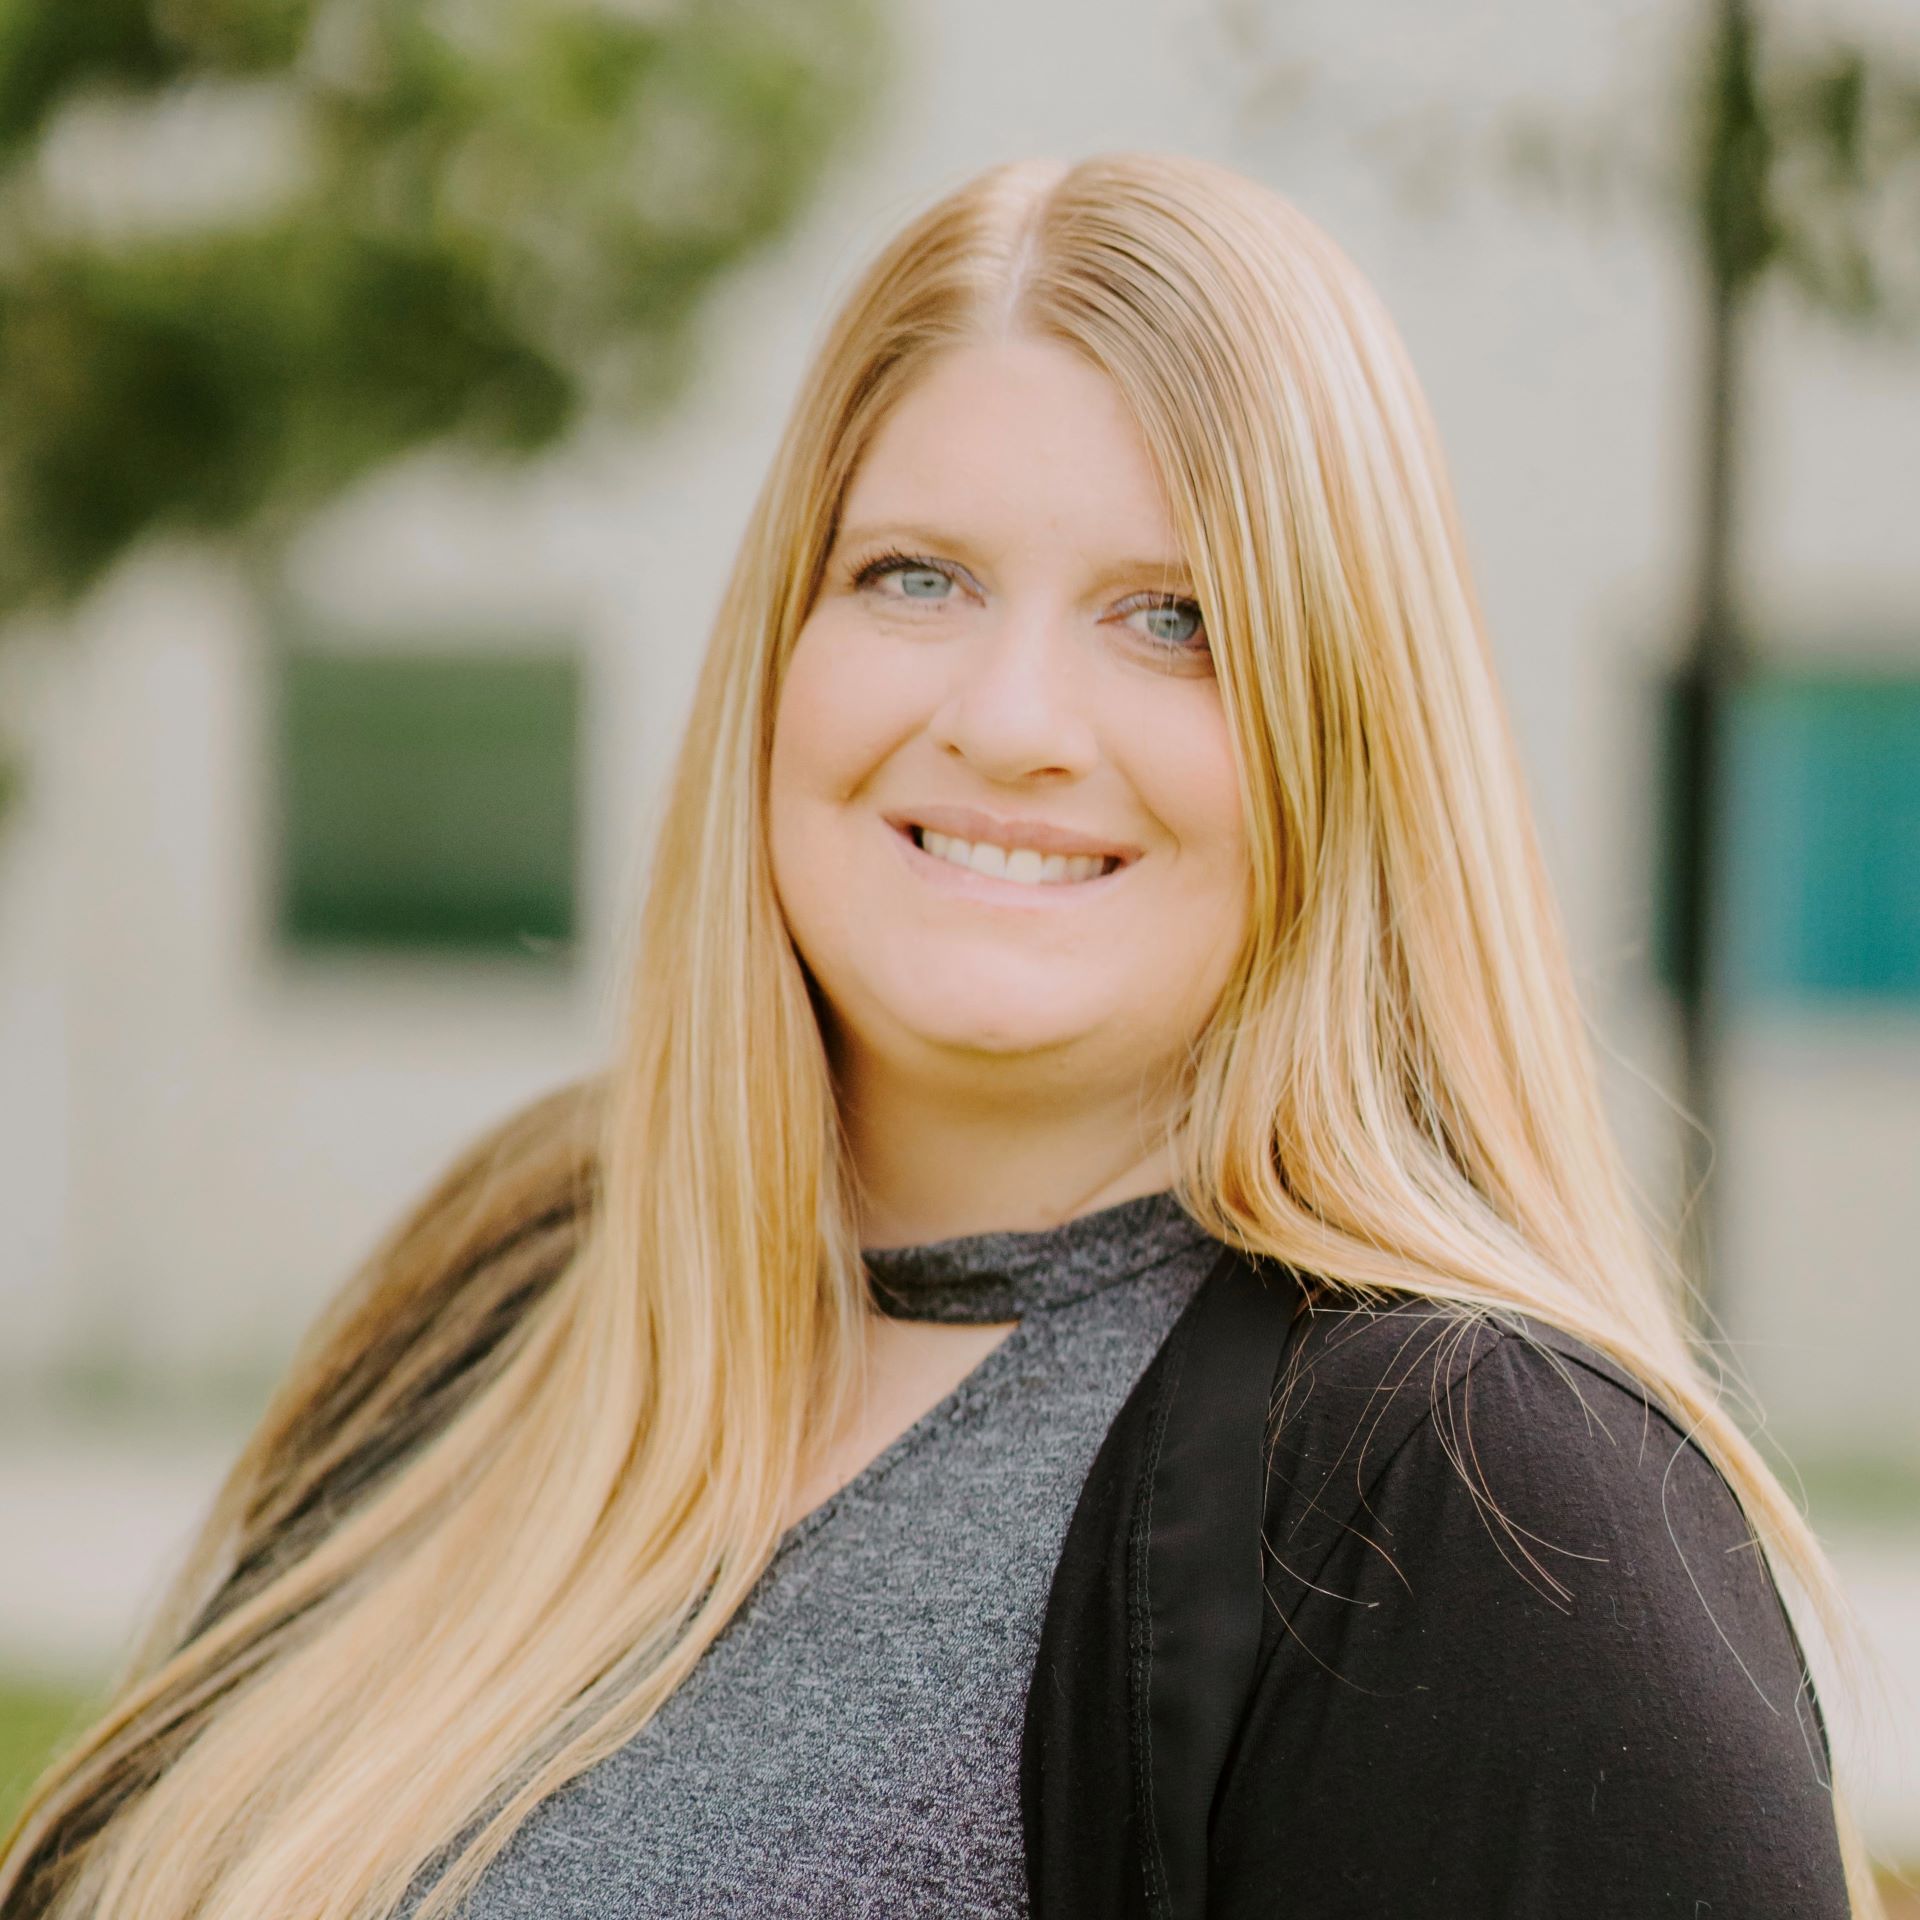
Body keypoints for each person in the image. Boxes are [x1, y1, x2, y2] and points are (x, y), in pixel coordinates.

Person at [0, 152, 1879, 1919]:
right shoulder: (527, 1265)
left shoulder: (1483, 1502)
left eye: (1174, 621)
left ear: (1351, 739)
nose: (1011, 718)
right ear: (783, 643)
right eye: (916, 576)